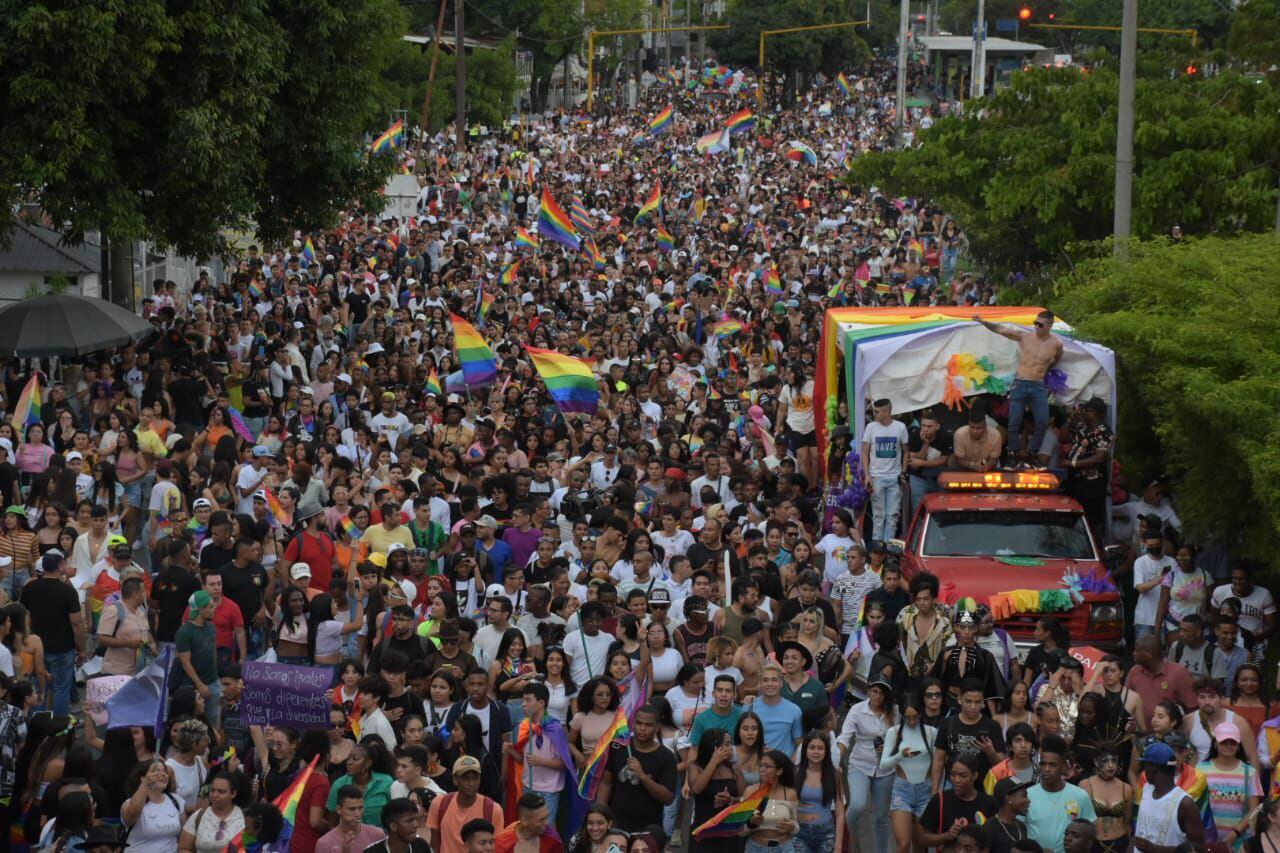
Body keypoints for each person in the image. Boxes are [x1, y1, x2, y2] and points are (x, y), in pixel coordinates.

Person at [973, 310, 1062, 462]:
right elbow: (1001, 330)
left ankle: (1032, 454)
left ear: (1049, 325)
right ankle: (1013, 454)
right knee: (1014, 421)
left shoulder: (1056, 344)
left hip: (1038, 385)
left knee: (1042, 421)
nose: (1037, 327)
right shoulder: (1025, 337)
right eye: (1035, 323)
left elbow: (1057, 359)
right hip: (1021, 382)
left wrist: (1046, 370)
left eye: (1040, 324)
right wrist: (983, 322)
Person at [21, 551, 85, 715]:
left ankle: (39, 726)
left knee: (40, 688)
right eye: (63, 563)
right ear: (59, 566)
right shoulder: (68, 591)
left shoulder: (29, 588)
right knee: (61, 689)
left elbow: (25, 616)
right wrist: (82, 648)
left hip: (37, 647)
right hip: (62, 647)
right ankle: (60, 729)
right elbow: (77, 623)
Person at [595, 705, 677, 833]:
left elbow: (668, 799)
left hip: (649, 829)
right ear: (633, 724)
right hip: (617, 825)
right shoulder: (618, 747)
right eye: (639, 723)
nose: (642, 729)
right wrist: (600, 814)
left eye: (648, 725)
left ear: (657, 728)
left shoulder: (667, 757)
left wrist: (642, 776)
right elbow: (606, 783)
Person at [839, 679, 896, 853]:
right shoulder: (857, 710)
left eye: (881, 692)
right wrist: (836, 758)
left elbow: (900, 736)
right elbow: (845, 736)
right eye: (874, 691)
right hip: (860, 763)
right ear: (868, 691)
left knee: (880, 817)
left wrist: (888, 746)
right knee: (857, 804)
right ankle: (841, 835)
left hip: (885, 768)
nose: (877, 696)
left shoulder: (894, 711)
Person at [1024, 735, 1096, 853]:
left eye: (1053, 765)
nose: (1047, 769)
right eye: (1043, 764)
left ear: (1063, 766)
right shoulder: (1027, 795)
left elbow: (1089, 832)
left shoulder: (1080, 796)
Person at [1132, 742, 1205, 853]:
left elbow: (1198, 849)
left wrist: (1156, 850)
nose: (1143, 770)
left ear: (1153, 770)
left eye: (1145, 766)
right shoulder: (1146, 789)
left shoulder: (1185, 804)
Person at [916, 755, 997, 853]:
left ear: (975, 775)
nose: (956, 780)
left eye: (963, 776)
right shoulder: (940, 800)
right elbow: (922, 839)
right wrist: (947, 836)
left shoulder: (988, 802)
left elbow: (995, 839)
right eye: (953, 774)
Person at [426, 756, 503, 853]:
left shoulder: (493, 809)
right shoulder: (439, 804)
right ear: (455, 780)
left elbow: (496, 846)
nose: (471, 783)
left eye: (475, 778)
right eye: (466, 778)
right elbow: (435, 843)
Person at [860, 398, 909, 541]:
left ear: (887, 412)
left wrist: (903, 472)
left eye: (877, 411)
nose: (874, 414)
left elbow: (906, 451)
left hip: (894, 477)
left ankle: (888, 548)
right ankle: (877, 547)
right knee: (878, 515)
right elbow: (864, 452)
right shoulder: (871, 427)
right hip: (877, 477)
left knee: (893, 515)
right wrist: (867, 475)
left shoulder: (900, 427)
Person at [316, 784, 388, 853]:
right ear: (339, 809)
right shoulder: (325, 843)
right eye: (352, 809)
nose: (357, 814)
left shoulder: (377, 835)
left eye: (360, 808)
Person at [493, 792, 559, 853]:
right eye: (541, 820)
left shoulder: (552, 838)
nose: (547, 823)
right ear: (524, 821)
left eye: (546, 817)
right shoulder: (503, 846)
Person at [984, 778, 1031, 853]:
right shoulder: (990, 827)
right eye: (1024, 796)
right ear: (1009, 798)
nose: (1028, 800)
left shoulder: (1021, 826)